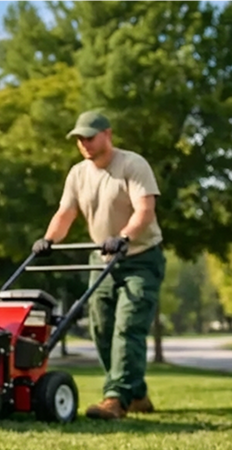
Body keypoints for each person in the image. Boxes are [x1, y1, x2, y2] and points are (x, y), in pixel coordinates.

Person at [32, 109, 166, 420]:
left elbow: (145, 210)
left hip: (140, 258)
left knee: (127, 327)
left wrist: (124, 236)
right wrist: (48, 240)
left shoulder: (132, 164)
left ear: (108, 134)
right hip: (102, 258)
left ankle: (116, 397)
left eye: (89, 138)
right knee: (102, 329)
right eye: (79, 139)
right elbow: (66, 213)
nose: (84, 144)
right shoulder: (78, 173)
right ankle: (137, 395)